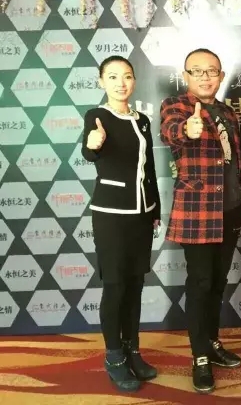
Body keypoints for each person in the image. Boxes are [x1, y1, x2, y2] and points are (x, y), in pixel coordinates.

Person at [160, 48, 241, 394]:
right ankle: (199, 356)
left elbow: (237, 157)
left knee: (216, 282)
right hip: (198, 212)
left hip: (231, 209)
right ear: (186, 76)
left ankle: (212, 343)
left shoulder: (228, 112)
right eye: (197, 71)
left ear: (221, 75)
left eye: (211, 71)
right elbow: (171, 131)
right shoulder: (176, 106)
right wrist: (189, 128)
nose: (205, 77)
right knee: (200, 284)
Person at [82, 55, 160, 392]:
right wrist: (92, 145)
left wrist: (155, 208)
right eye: (112, 77)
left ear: (134, 81)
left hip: (142, 213)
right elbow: (90, 150)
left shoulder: (142, 120)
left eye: (127, 76)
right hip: (111, 214)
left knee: (135, 285)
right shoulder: (97, 116)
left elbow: (149, 166)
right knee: (115, 286)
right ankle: (114, 357)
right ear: (101, 81)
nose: (121, 83)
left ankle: (133, 351)